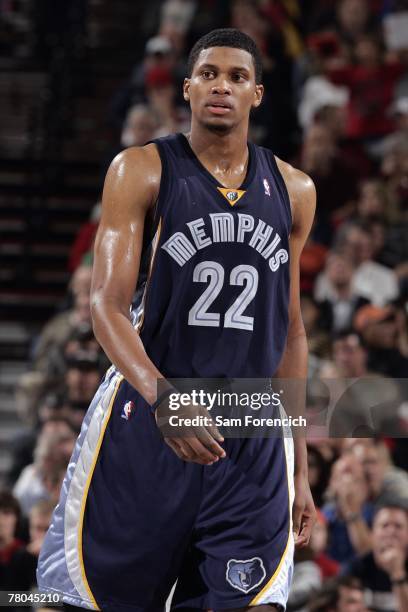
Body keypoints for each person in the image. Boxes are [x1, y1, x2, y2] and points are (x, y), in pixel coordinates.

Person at [37, 28, 316, 611]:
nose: (222, 86)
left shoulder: (294, 189)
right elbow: (106, 306)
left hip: (250, 429)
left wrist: (300, 465)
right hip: (149, 414)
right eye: (209, 74)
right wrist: (166, 398)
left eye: (237, 77)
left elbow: (289, 328)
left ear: (257, 95)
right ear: (186, 88)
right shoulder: (141, 169)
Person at [345, 504, 408, 612]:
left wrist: (397, 573)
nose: (391, 531)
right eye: (384, 525)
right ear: (373, 533)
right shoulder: (356, 567)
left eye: (398, 526)